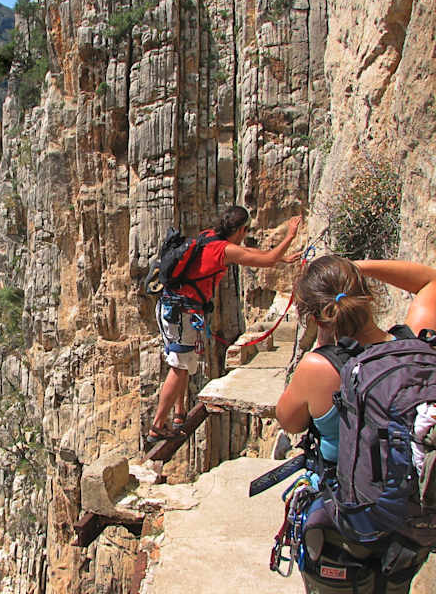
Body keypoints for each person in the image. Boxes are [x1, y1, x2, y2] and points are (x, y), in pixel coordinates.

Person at [276, 255, 436, 593]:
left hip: (347, 526)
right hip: (411, 524)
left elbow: (287, 421)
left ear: (316, 316)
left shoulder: (318, 368)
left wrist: (319, 349)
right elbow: (429, 282)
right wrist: (357, 267)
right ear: (367, 295)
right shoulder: (417, 344)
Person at [147, 206, 302, 443]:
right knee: (179, 367)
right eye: (245, 230)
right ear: (240, 230)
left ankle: (179, 413)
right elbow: (264, 260)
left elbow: (246, 252)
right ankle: (157, 426)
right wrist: (290, 235)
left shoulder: (210, 236)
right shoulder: (223, 250)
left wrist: (278, 256)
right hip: (181, 313)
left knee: (183, 362)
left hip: (172, 308)